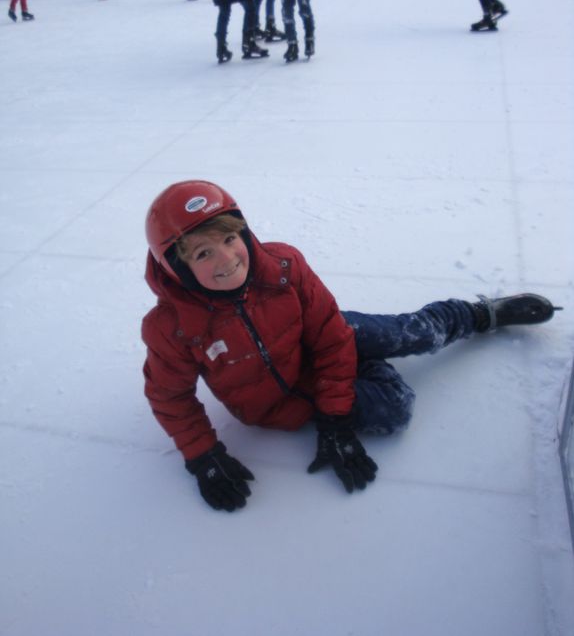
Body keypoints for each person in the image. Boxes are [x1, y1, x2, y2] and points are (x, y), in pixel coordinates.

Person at [141, 180, 561, 512]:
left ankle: (476, 314)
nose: (227, 258)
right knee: (394, 410)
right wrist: (203, 456)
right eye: (203, 253)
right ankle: (363, 364)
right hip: (284, 400)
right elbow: (170, 396)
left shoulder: (284, 268)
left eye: (231, 239)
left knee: (408, 332)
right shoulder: (173, 328)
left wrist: (336, 417)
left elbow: (328, 333)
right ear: (177, 269)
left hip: (325, 337)